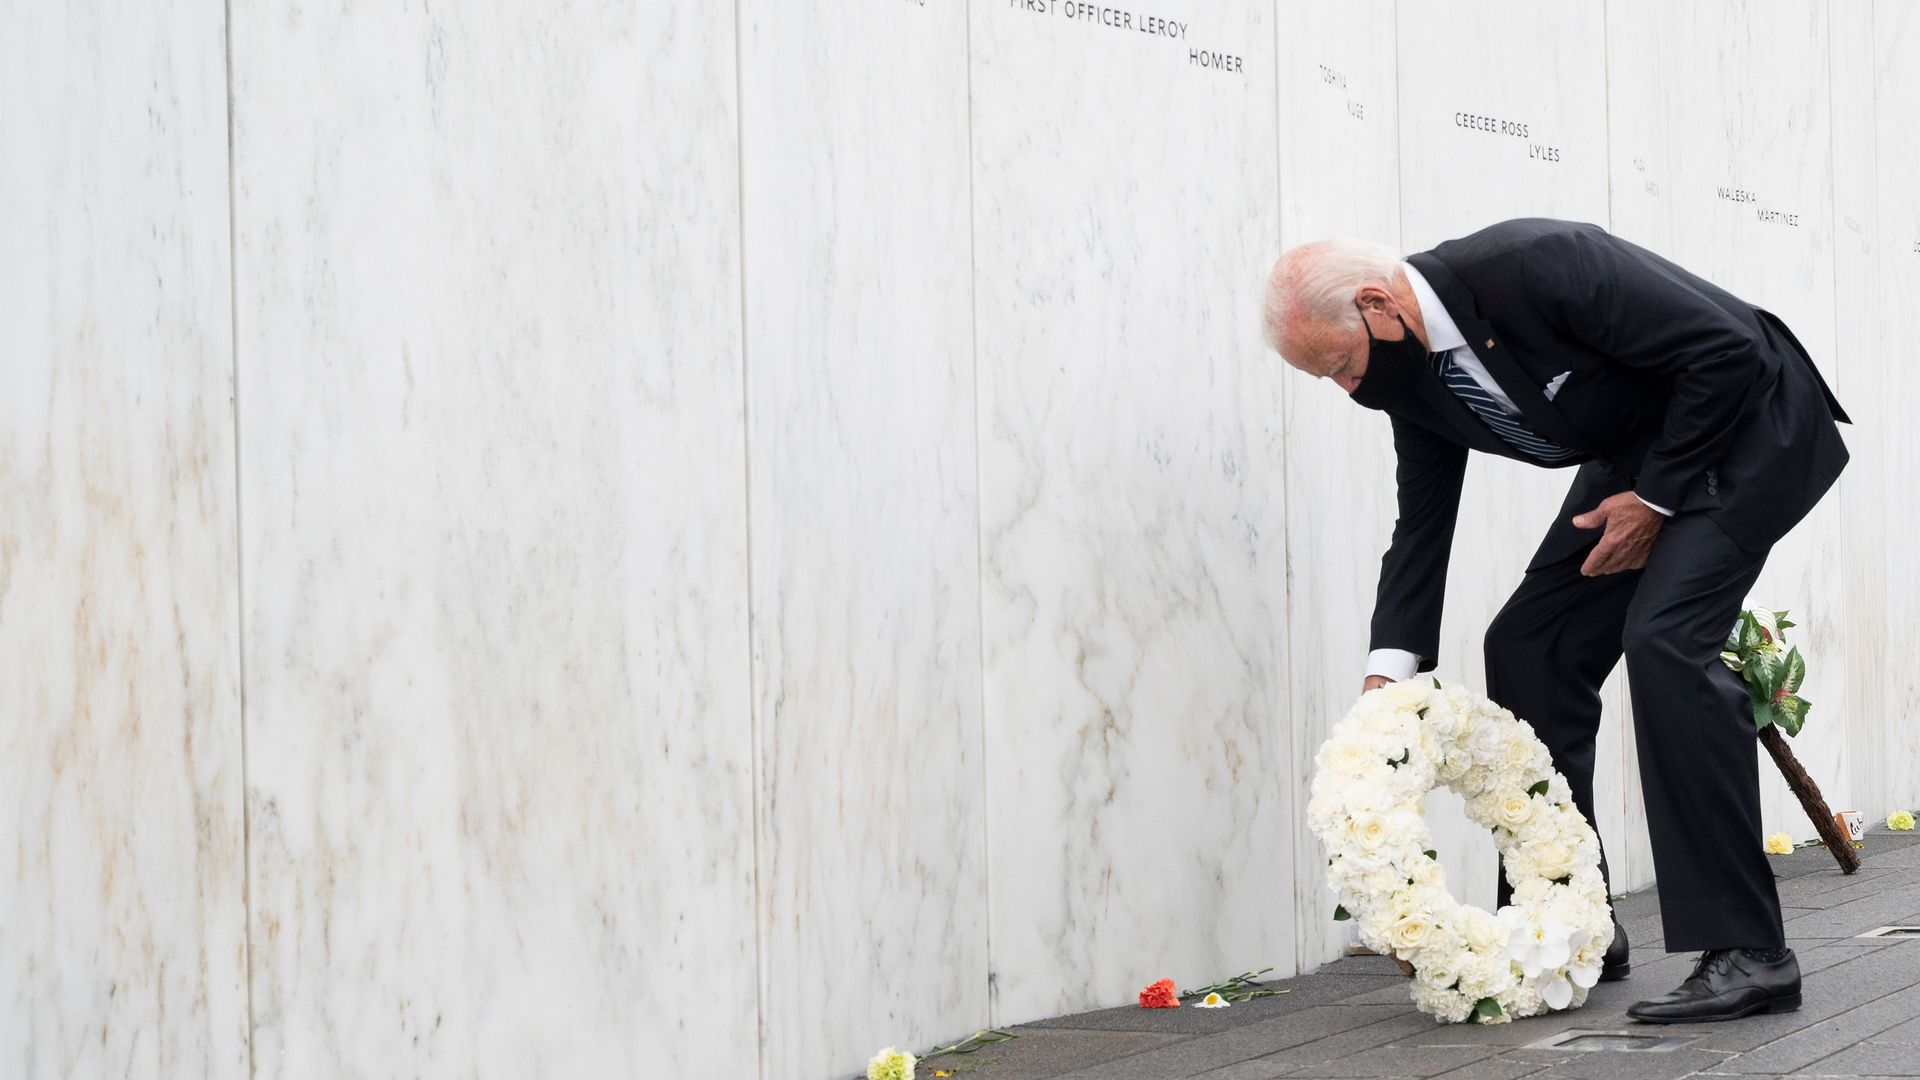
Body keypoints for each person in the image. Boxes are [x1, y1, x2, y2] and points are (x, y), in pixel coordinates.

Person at [1261, 218, 1849, 1023]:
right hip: (1648, 456)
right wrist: (1382, 688)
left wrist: (1653, 501)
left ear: (1377, 305)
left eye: (1340, 365)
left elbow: (1726, 350)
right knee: (1530, 645)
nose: (1347, 389)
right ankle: (1573, 922)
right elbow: (1421, 529)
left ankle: (1750, 951)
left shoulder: (1536, 265)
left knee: (1666, 640)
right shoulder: (1413, 383)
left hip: (1752, 421)